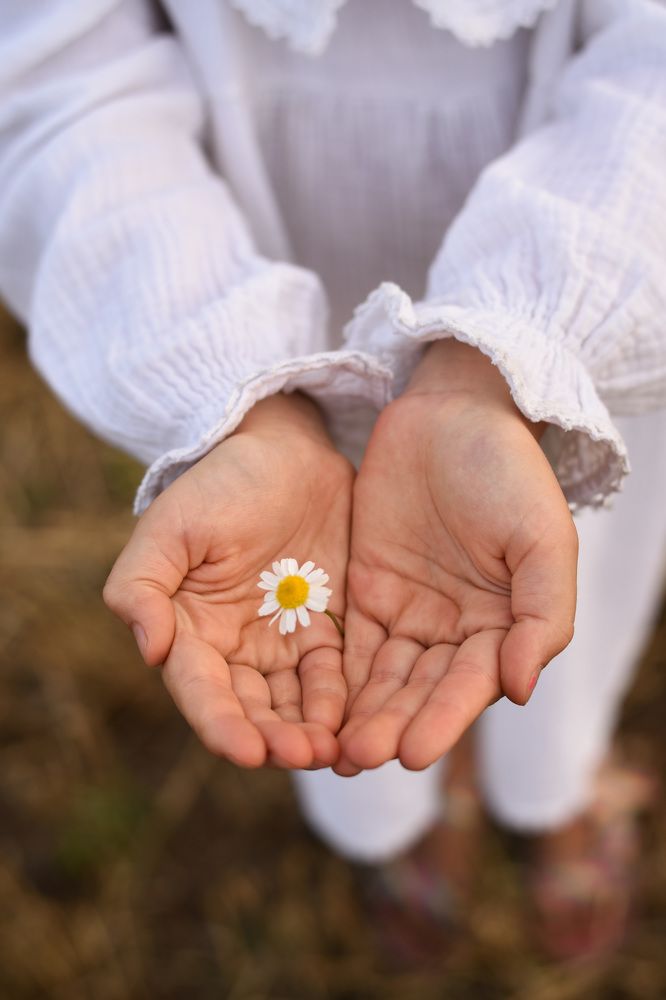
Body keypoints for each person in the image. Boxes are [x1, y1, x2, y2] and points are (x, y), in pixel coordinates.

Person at [0, 0, 665, 963]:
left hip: (598, 238)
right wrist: (246, 404)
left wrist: (503, 363)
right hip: (245, 235)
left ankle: (550, 782)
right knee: (332, 641)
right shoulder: (287, 568)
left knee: (548, 568)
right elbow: (50, 78)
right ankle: (397, 815)